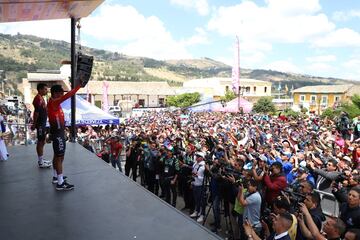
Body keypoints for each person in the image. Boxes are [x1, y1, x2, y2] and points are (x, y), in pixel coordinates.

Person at [48, 84, 81, 191]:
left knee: (57, 156)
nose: (62, 95)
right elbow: (69, 95)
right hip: (58, 135)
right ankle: (60, 183)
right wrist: (78, 86)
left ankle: (56, 177)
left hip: (58, 133)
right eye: (61, 93)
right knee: (59, 157)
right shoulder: (54, 102)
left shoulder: (53, 102)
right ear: (55, 93)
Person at [32, 83, 52, 168]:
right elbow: (36, 113)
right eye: (45, 89)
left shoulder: (41, 98)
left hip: (43, 124)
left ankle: (41, 159)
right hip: (40, 124)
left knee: (43, 141)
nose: (46, 90)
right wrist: (34, 124)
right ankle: (40, 162)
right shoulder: (38, 99)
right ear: (40, 90)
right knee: (40, 142)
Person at [190, 151, 206, 223]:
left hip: (200, 186)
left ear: (202, 158)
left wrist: (197, 176)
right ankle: (197, 211)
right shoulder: (195, 163)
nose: (196, 157)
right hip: (194, 184)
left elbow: (205, 179)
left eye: (198, 156)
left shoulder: (203, 166)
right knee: (196, 199)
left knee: (202, 201)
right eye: (196, 156)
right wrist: (192, 182)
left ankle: (202, 215)